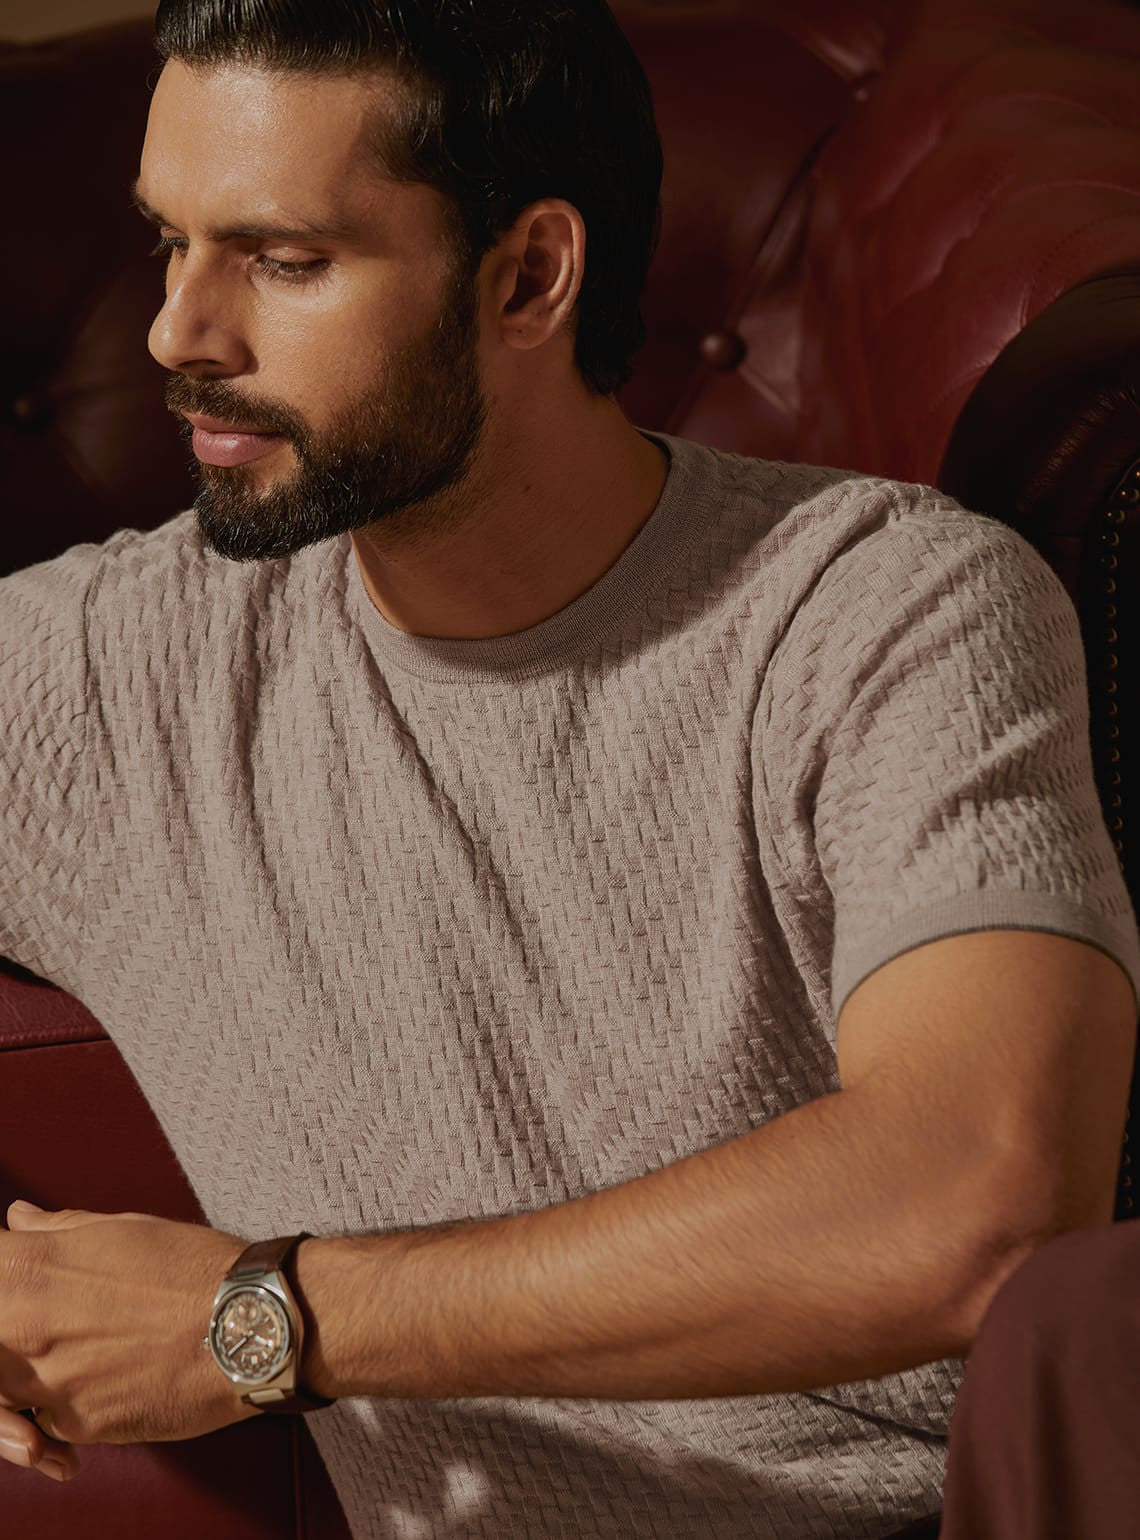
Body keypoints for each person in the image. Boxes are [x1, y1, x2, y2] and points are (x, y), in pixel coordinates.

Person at [0, 2, 1137, 1536]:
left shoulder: (886, 607)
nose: (177, 332)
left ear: (529, 276)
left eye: (282, 259)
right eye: (169, 242)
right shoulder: (96, 682)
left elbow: (975, 1206)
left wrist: (269, 1320)